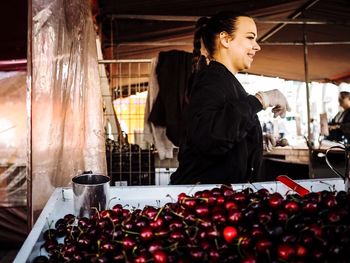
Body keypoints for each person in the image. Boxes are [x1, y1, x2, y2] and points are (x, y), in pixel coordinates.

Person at [170, 11, 290, 184]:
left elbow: (223, 129)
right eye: (250, 37)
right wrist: (261, 100)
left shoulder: (226, 81)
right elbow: (209, 135)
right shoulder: (211, 79)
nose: (257, 47)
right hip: (205, 200)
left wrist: (252, 142)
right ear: (225, 39)